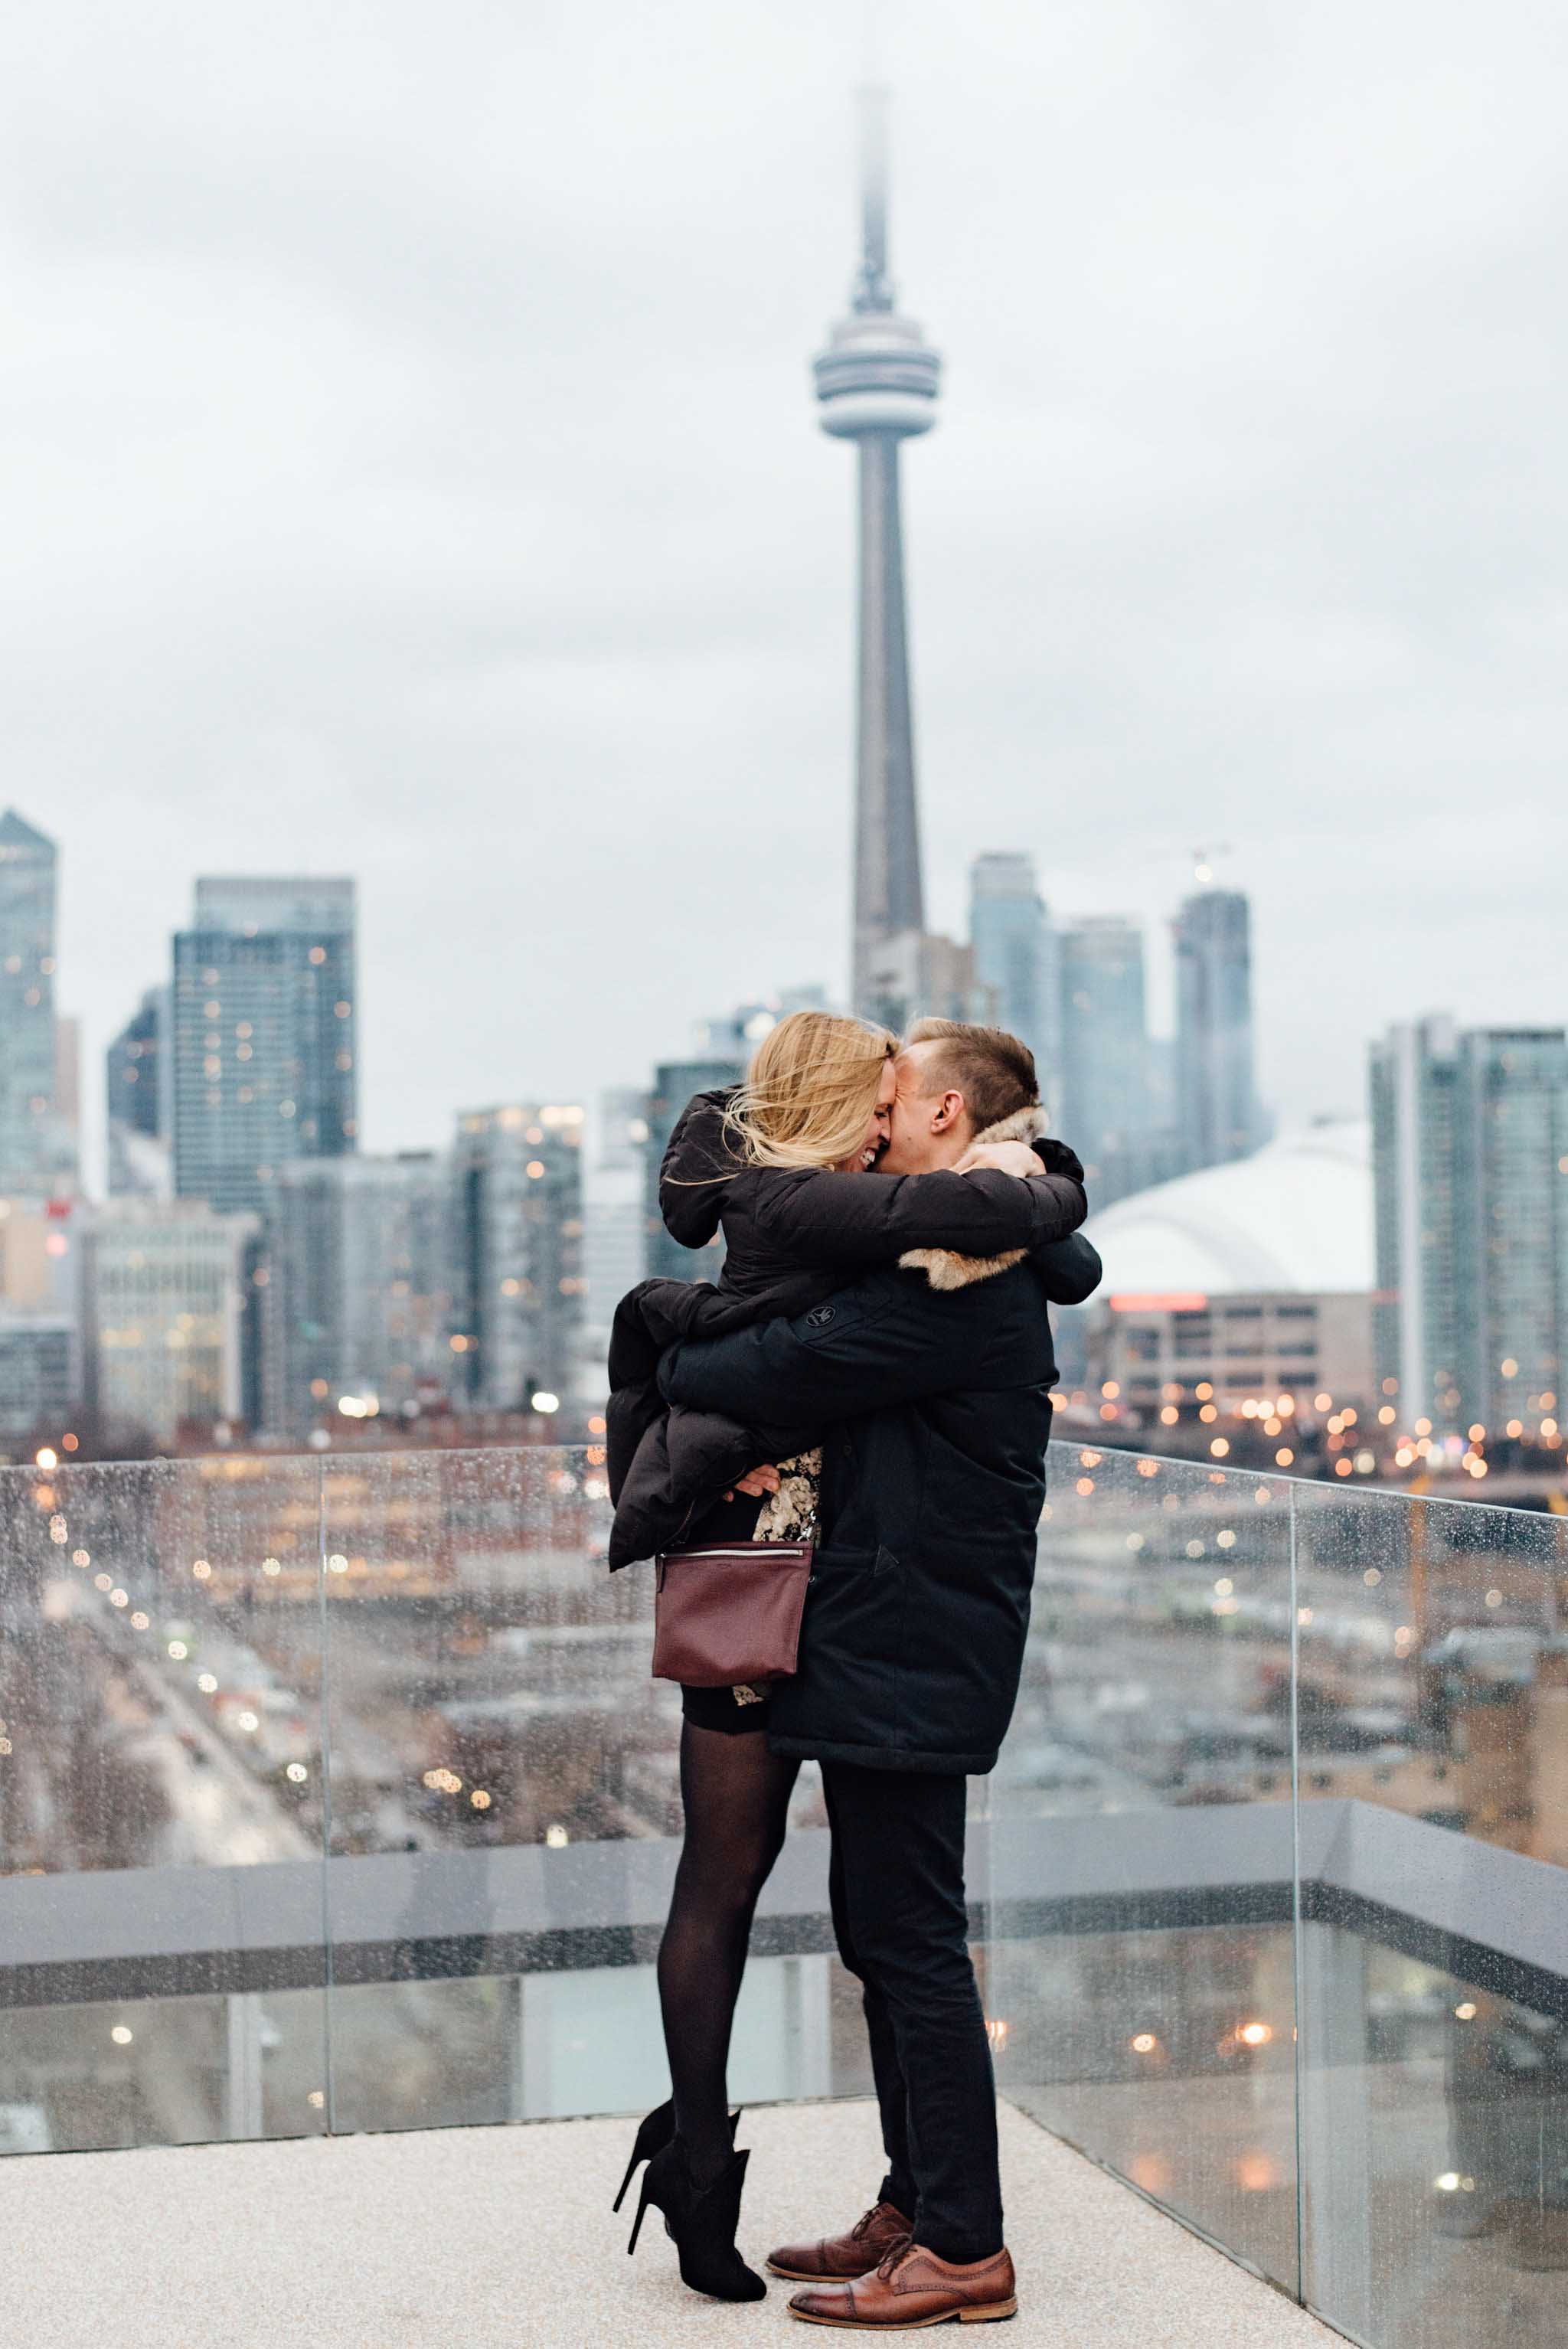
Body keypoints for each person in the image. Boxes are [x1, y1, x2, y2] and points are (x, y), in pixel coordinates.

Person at [607, 1011, 1097, 2303]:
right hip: (891, 1628)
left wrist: (670, 1326)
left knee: (911, 1935)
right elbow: (737, 1118)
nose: (875, 1121)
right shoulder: (959, 1240)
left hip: (915, 1636)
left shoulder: (960, 1282)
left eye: (895, 1099)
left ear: (942, 1117)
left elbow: (772, 1362)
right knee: (883, 1931)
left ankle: (966, 2246)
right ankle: (915, 2201)